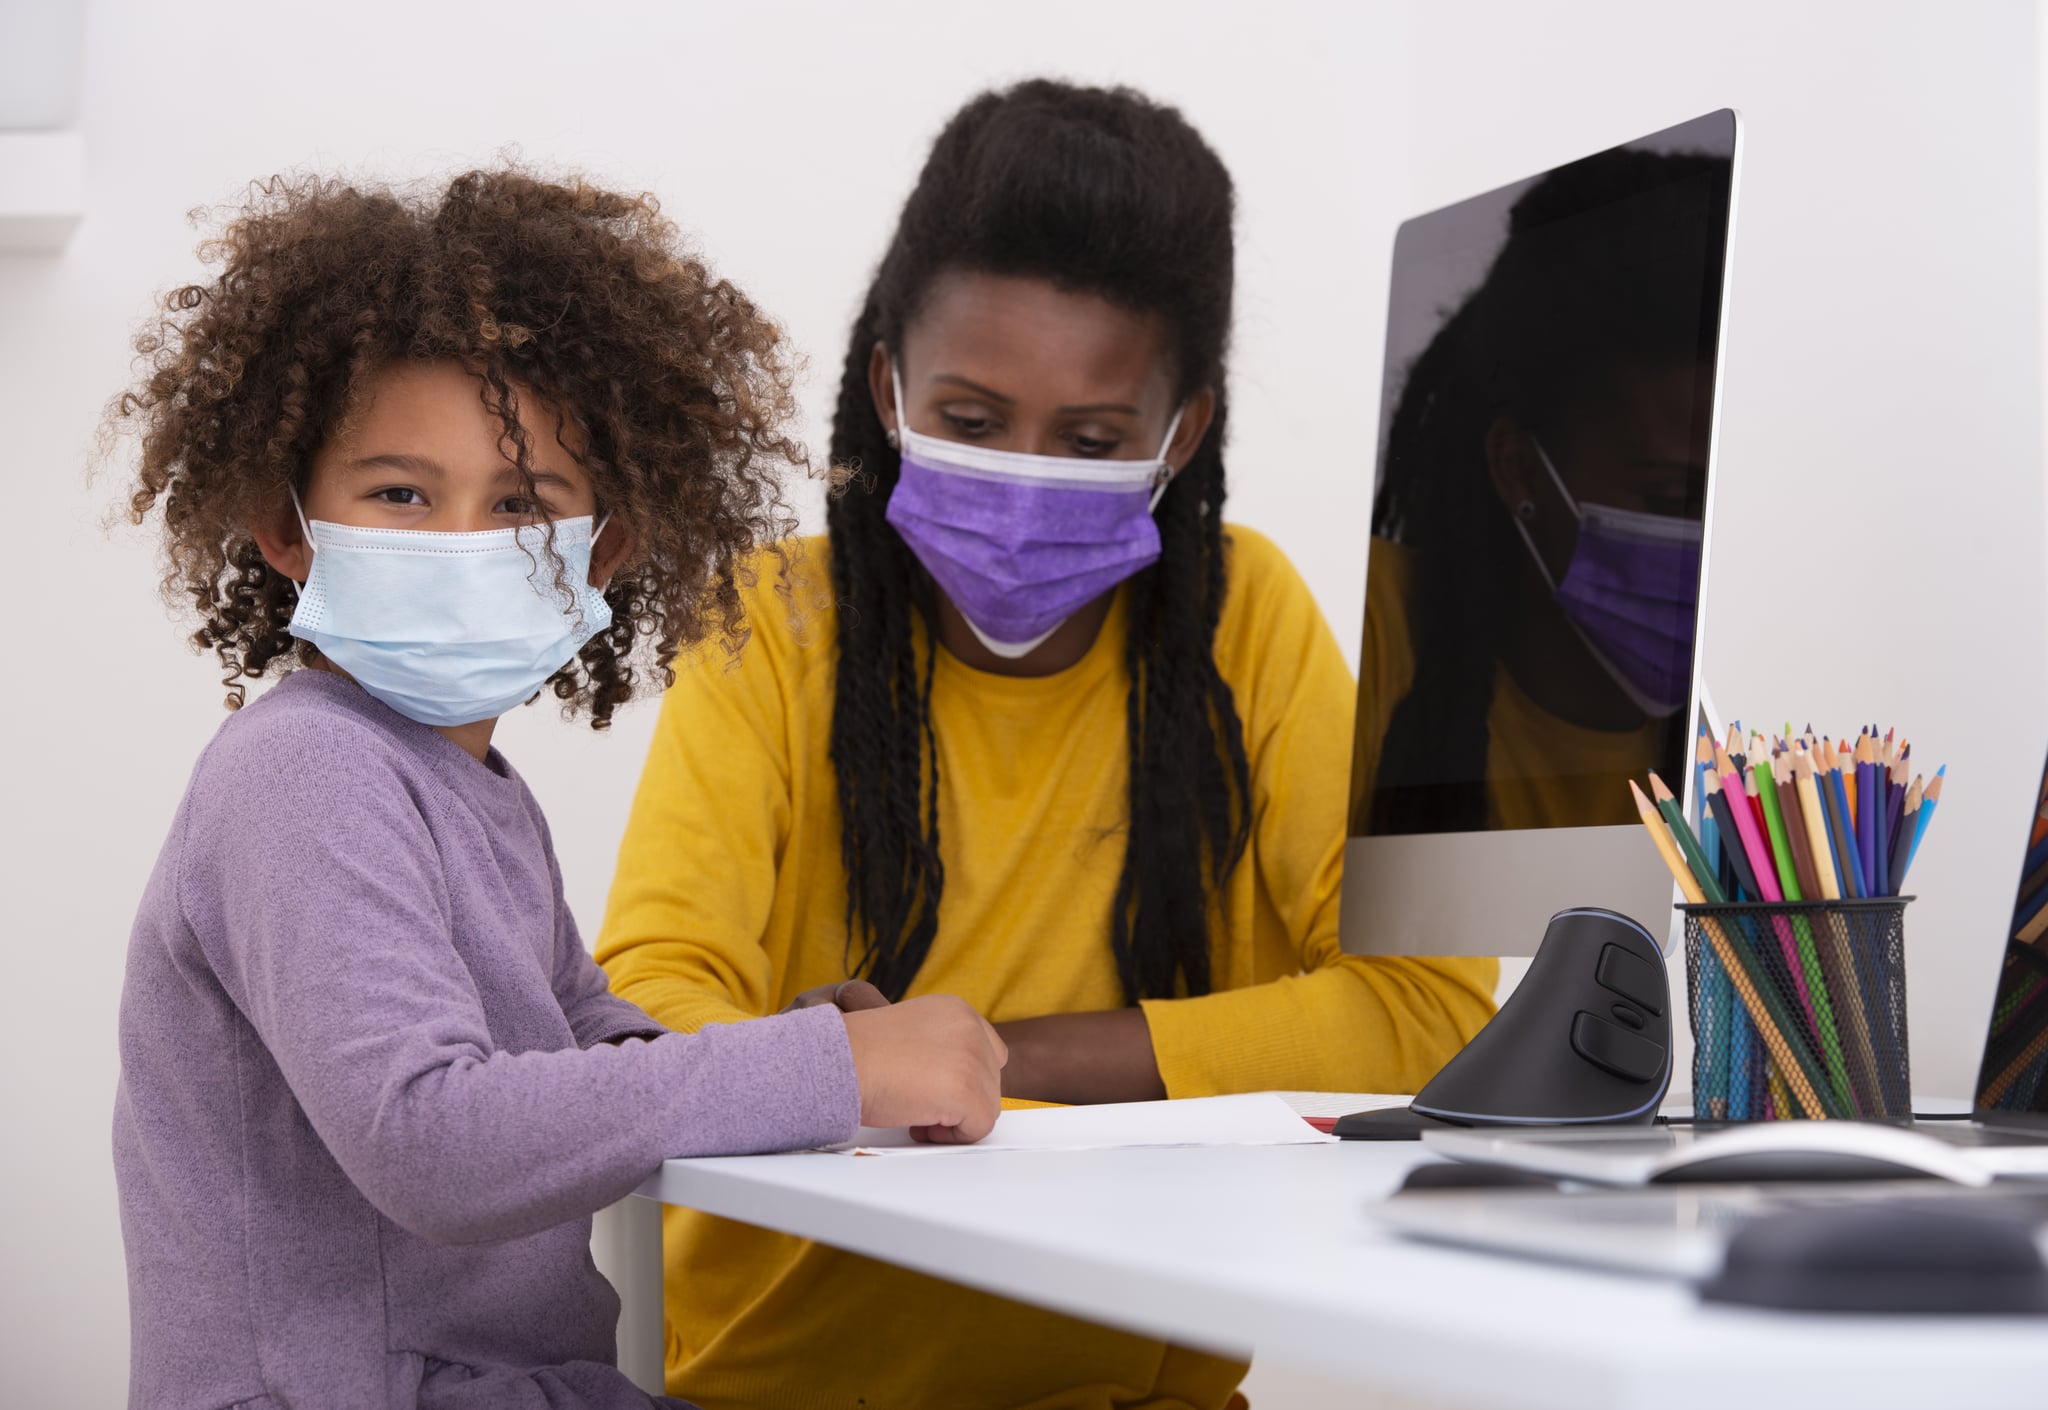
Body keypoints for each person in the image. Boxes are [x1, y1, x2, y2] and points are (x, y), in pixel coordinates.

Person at [597, 82, 1497, 1409]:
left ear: (1180, 434)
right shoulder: (774, 628)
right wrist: (833, 1064)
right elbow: (645, 1015)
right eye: (968, 419)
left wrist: (974, 1057)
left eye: (1089, 440)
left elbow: (1430, 1012)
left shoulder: (1244, 619)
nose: (1024, 477)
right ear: (887, 388)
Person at [108, 168, 1005, 1410]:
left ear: (607, 552)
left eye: (523, 506)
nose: (464, 544)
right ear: (286, 525)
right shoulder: (302, 772)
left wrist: (799, 1045)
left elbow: (579, 1038)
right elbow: (431, 1139)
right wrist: (829, 1071)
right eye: (401, 494)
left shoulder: (471, 784)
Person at [1351, 147, 1732, 839]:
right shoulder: (1366, 624)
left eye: (1733, 501)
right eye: (1672, 496)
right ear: (1520, 469)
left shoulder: (1755, 744)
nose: (1709, 542)